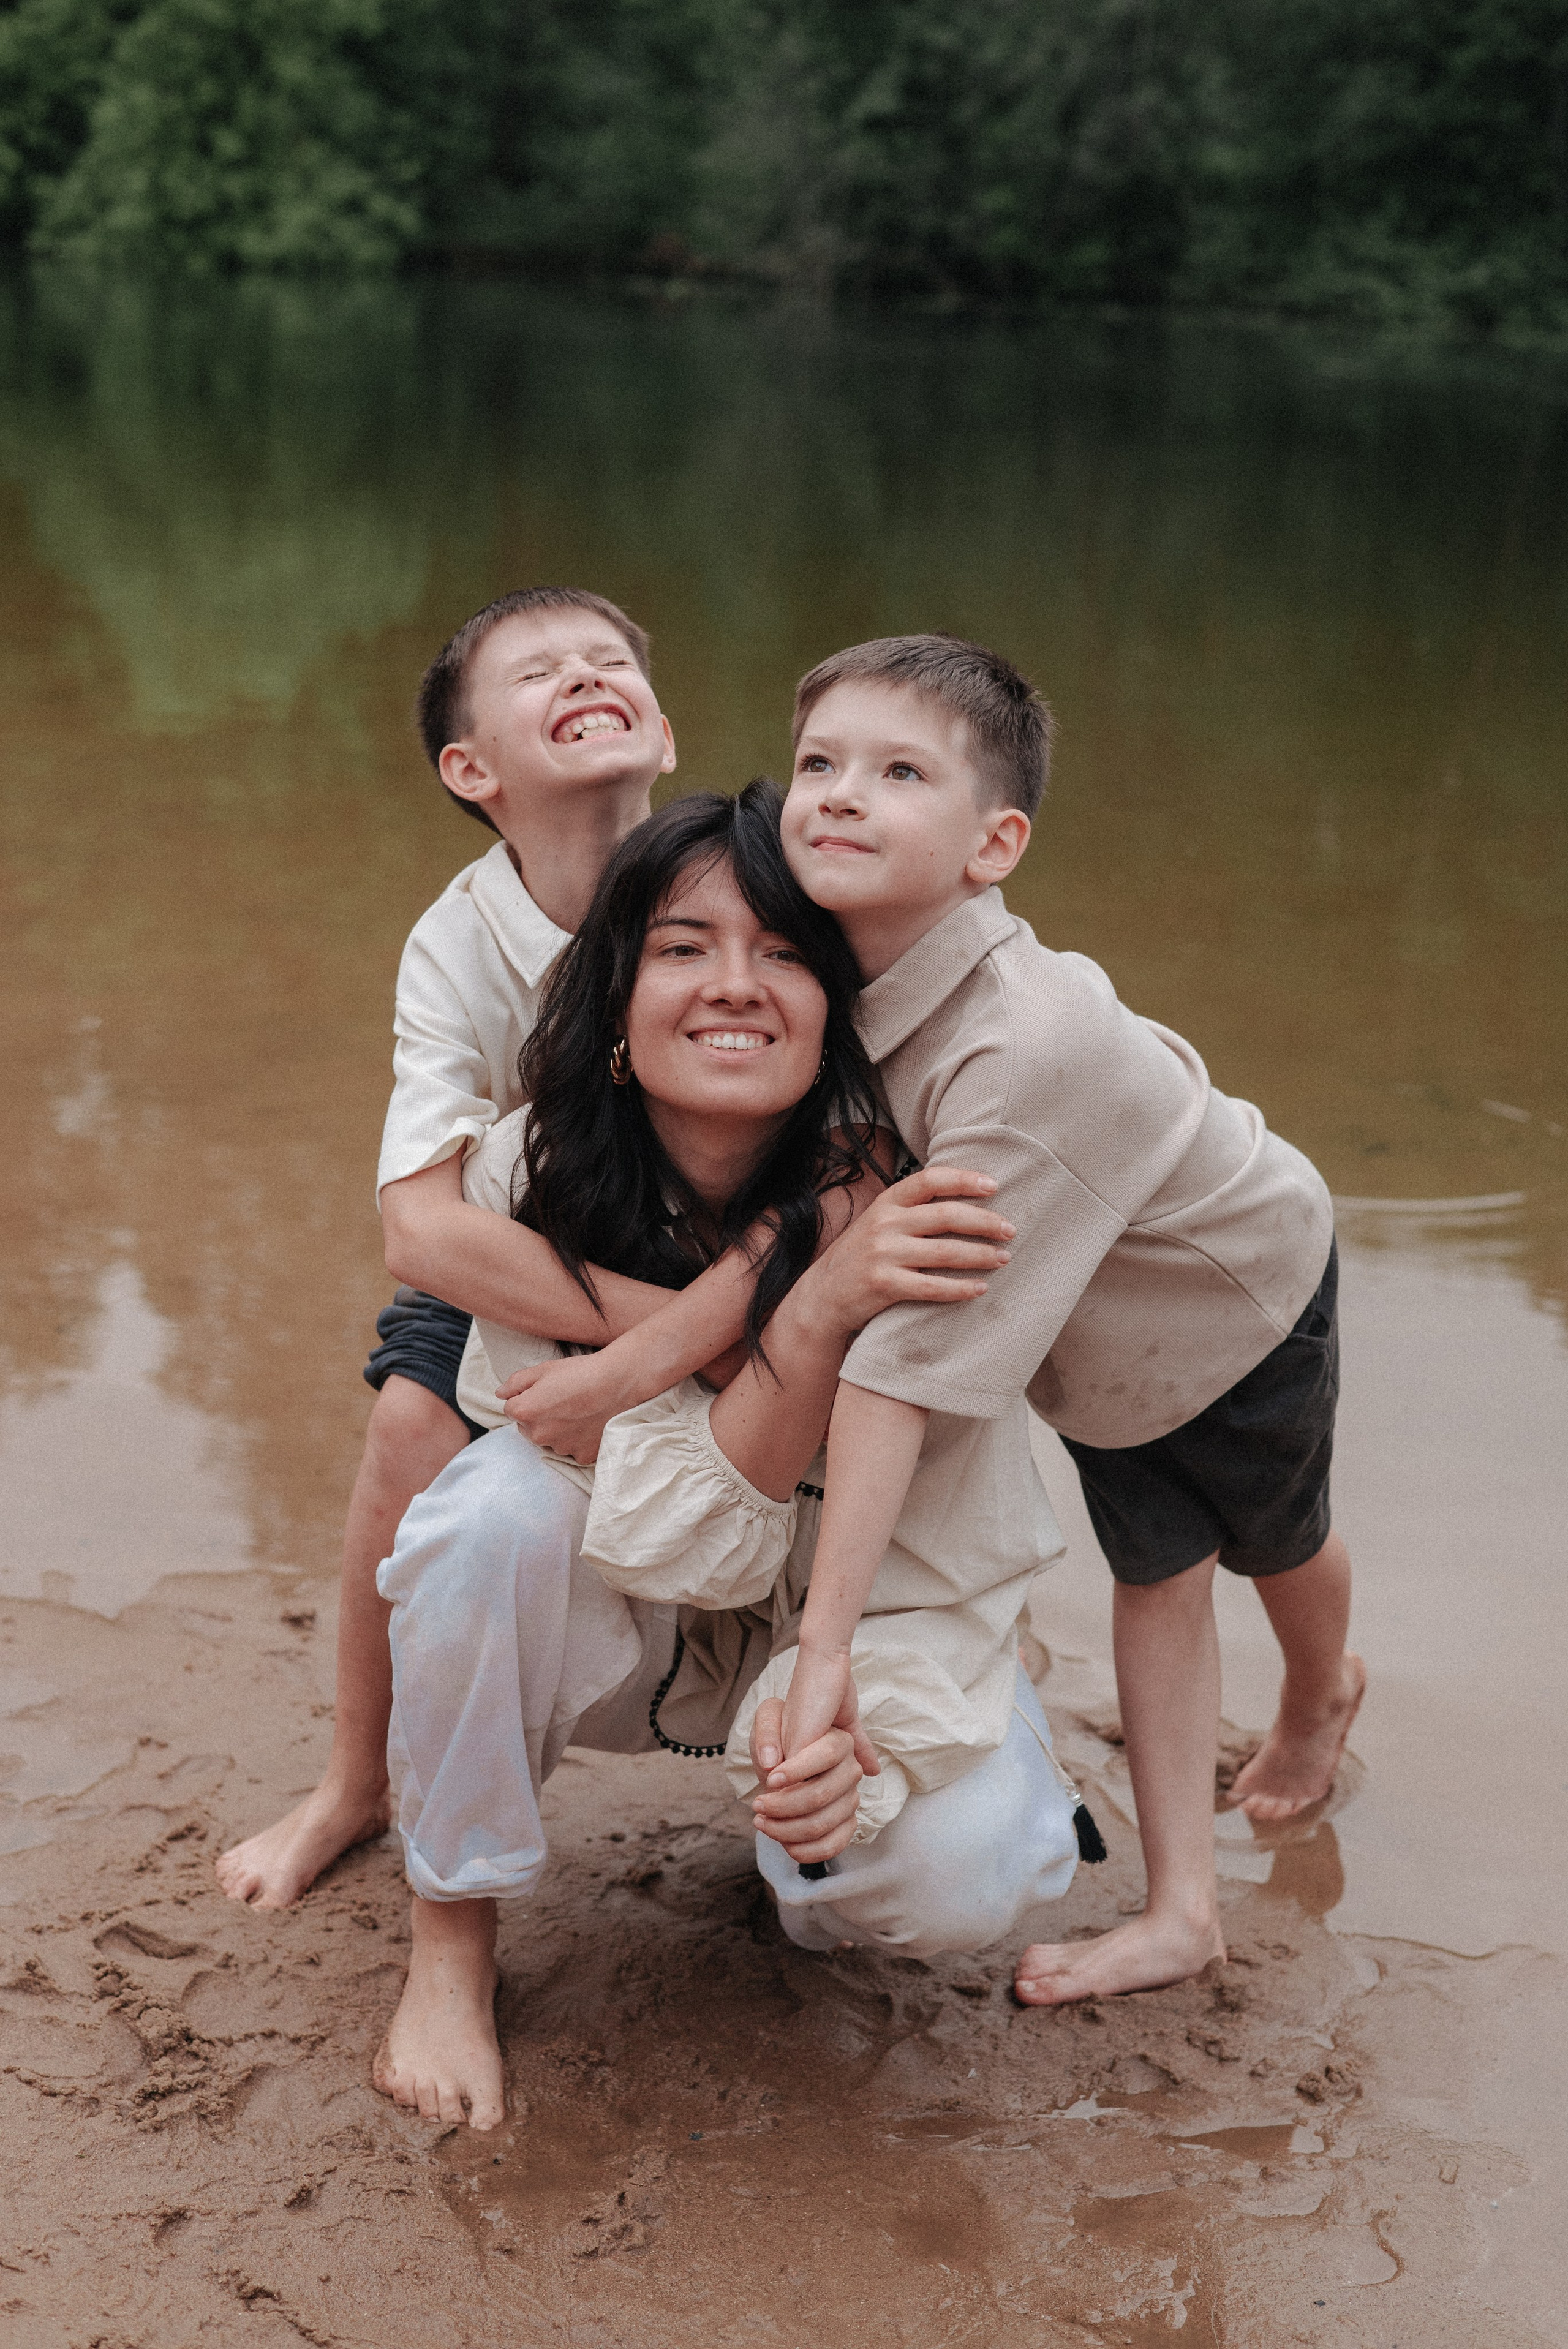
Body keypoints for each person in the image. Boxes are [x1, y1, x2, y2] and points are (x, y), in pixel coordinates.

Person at [373, 783, 1084, 2129]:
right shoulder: (531, 1177)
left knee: (950, 1876)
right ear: (618, 1008)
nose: (733, 987)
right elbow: (684, 1530)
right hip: (648, 1623)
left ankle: (822, 1870)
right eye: (683, 946)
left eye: (781, 954)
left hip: (880, 1616)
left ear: (837, 1009)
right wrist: (803, 1301)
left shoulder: (937, 1184)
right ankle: (449, 1946)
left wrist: (853, 1765)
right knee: (480, 1524)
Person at [764, 632, 1365, 2007]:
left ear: (995, 845)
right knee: (1152, 1569)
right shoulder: (830, 968)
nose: (839, 794)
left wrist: (827, 1644)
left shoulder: (1021, 1046)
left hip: (1229, 1291)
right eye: (818, 763)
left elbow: (898, 1366)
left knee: (1273, 1531)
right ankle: (1183, 1914)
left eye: (898, 770)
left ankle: (1319, 1690)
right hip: (1089, 1338)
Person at [217, 587, 761, 1910]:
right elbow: (421, 1226)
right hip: (558, 1249)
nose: (582, 673)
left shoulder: (745, 883)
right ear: (471, 770)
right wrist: (678, 1324)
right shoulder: (458, 943)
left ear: (664, 728)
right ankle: (356, 1778)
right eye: (538, 671)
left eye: (607, 660)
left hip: (742, 1234)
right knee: (409, 1430)